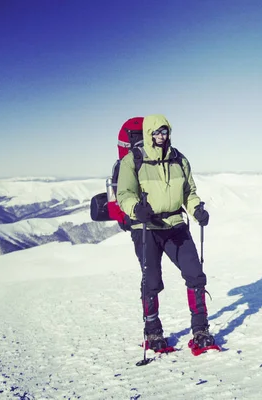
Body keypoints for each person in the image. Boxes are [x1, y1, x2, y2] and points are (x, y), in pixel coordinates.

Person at [116, 114, 214, 352]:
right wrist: (135, 209)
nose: (161, 136)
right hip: (146, 227)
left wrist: (196, 209)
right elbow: (124, 194)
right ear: (148, 134)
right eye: (156, 132)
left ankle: (200, 330)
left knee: (195, 274)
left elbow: (189, 191)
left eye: (165, 131)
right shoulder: (133, 161)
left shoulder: (179, 159)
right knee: (151, 280)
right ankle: (153, 334)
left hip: (174, 223)